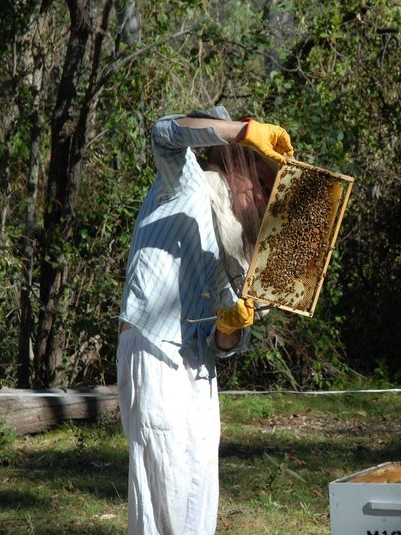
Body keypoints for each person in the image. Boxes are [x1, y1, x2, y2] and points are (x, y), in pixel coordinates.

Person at [117, 106, 294, 534]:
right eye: (263, 182)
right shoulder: (188, 182)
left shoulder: (238, 245)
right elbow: (164, 132)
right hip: (155, 349)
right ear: (240, 163)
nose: (265, 197)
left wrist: (231, 328)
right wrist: (243, 131)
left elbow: (224, 342)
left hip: (198, 368)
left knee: (198, 499)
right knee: (165, 496)